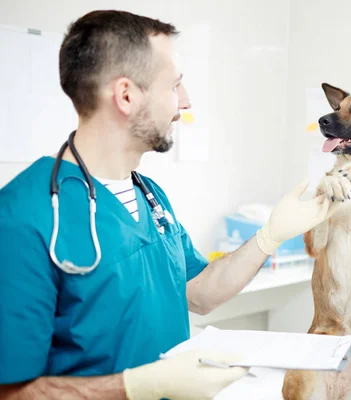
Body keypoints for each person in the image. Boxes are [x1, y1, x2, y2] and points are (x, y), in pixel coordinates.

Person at [0, 10, 331, 400]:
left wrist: (268, 236)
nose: (186, 101)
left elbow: (198, 292)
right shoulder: (23, 218)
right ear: (126, 95)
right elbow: (12, 391)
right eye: (175, 85)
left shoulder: (150, 194)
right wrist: (138, 386)